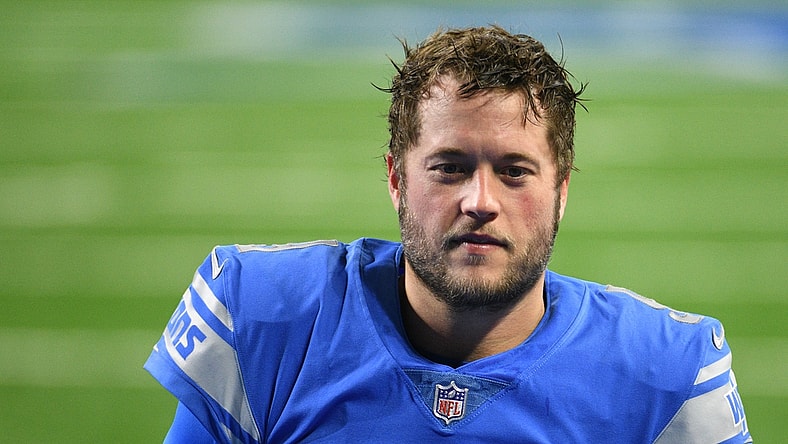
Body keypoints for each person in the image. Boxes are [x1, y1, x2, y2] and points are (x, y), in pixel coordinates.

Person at [145, 26, 751, 443]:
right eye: (450, 168)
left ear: (562, 189)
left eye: (514, 171)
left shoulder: (665, 377)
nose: (480, 201)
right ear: (396, 178)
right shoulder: (267, 321)